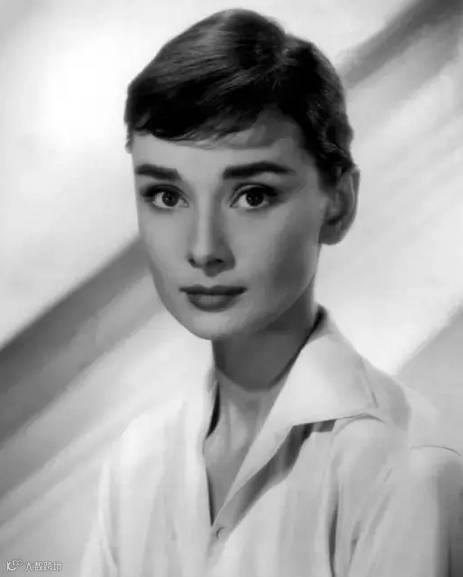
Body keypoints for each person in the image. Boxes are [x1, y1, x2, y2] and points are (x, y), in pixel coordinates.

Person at [81, 8, 463, 577]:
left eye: (253, 195)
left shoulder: (401, 467)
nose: (204, 248)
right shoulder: (139, 460)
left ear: (338, 203)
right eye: (166, 196)